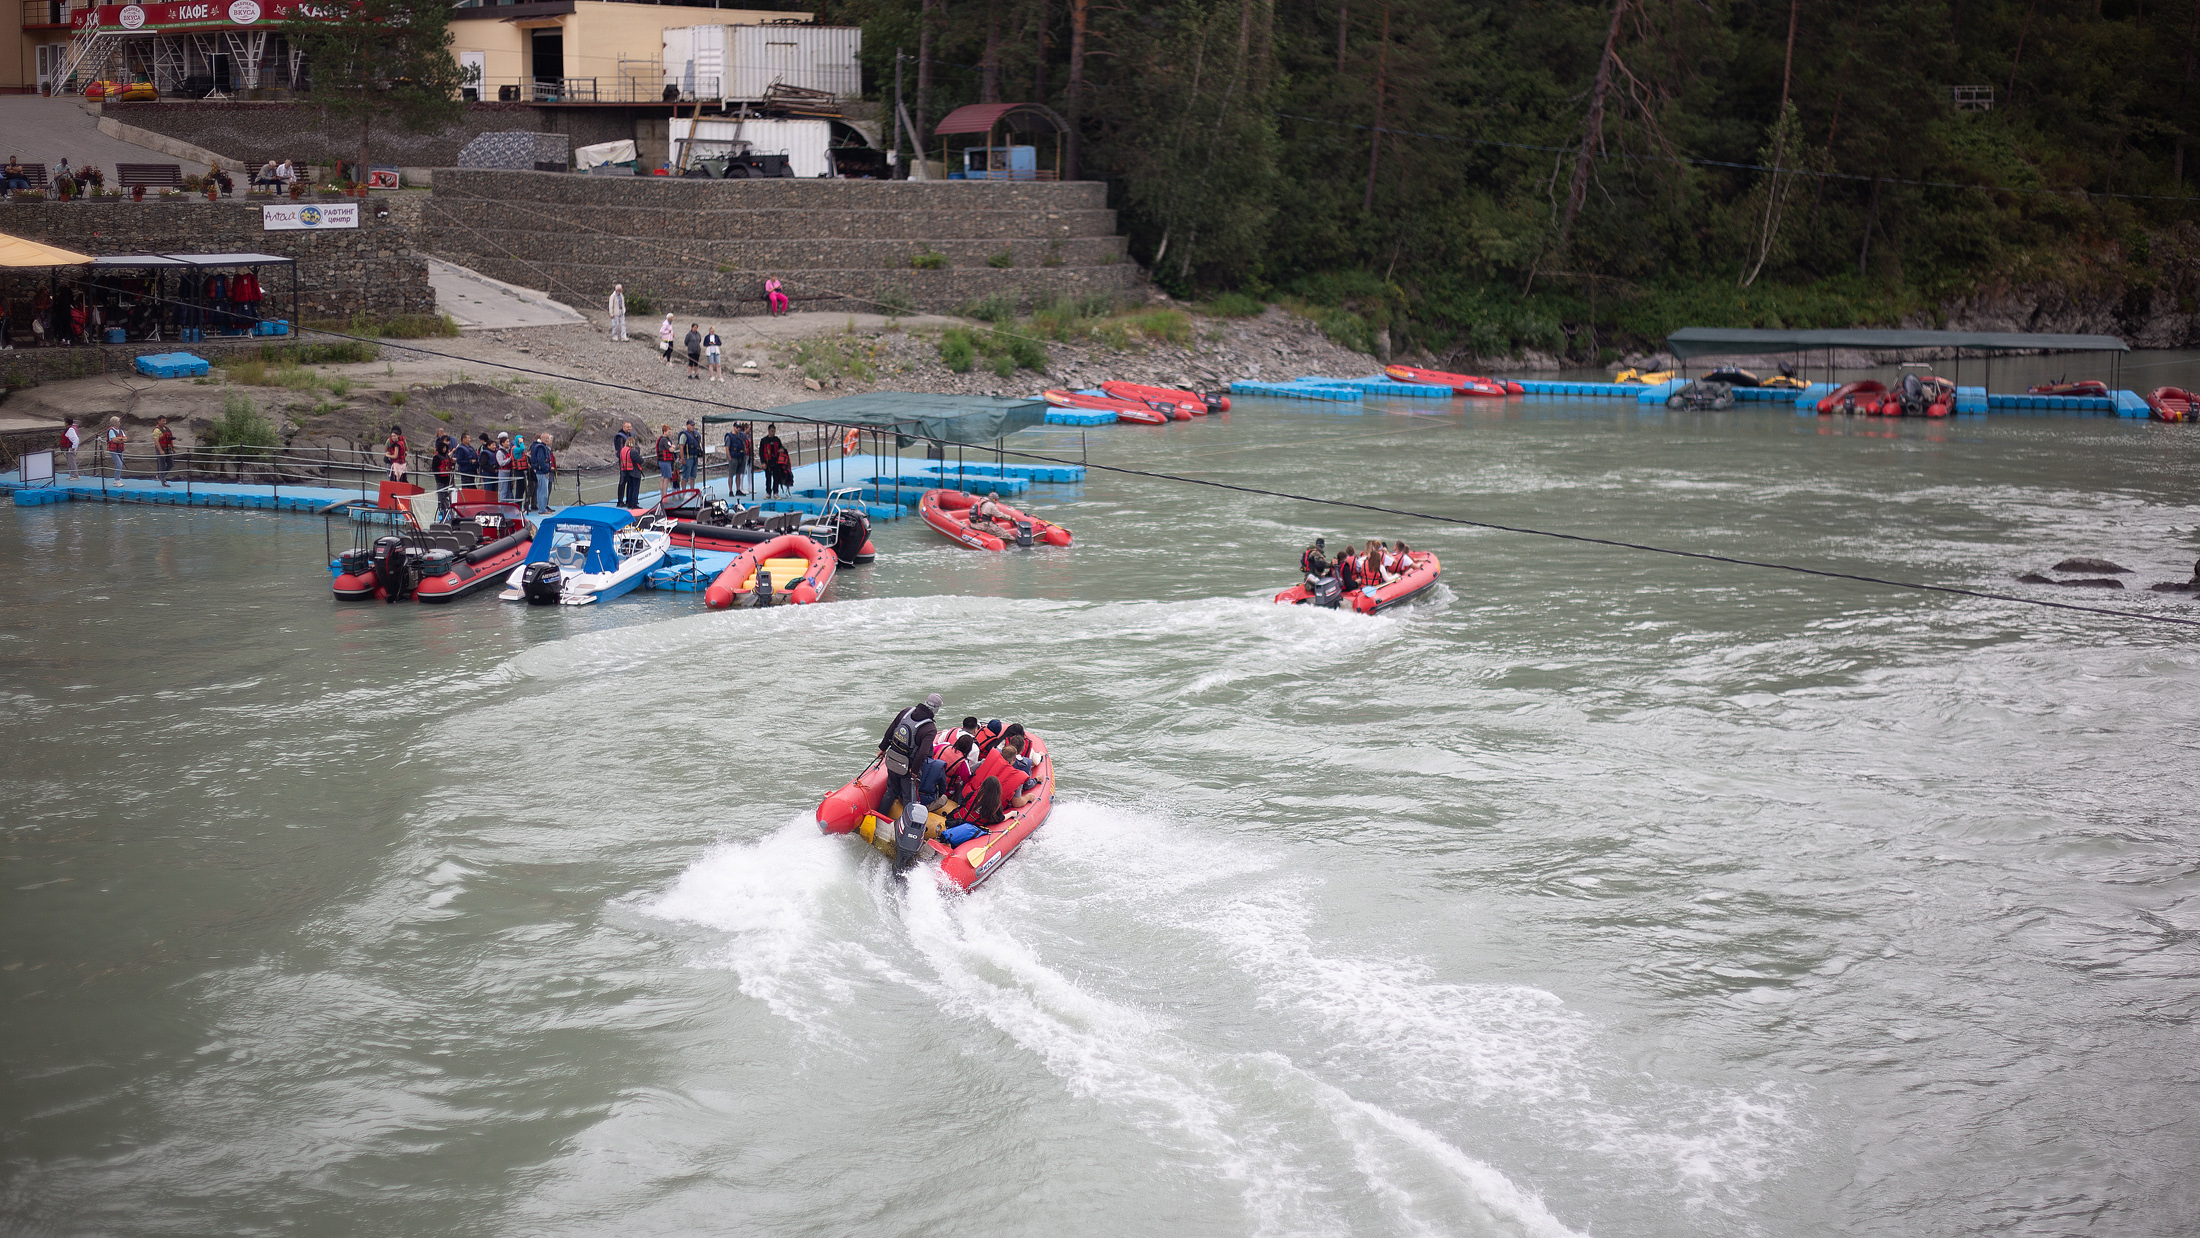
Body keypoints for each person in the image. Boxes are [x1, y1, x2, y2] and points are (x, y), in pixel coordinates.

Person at [877, 692, 942, 872]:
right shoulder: (929, 728)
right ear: (936, 710)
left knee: (890, 791)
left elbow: (891, 729)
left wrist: (882, 748)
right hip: (907, 768)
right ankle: (905, 839)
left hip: (892, 759)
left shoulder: (906, 711)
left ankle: (878, 821)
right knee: (909, 801)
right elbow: (922, 752)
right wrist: (914, 771)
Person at [758, 424, 789, 496]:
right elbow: (761, 453)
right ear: (768, 431)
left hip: (776, 462)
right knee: (768, 478)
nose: (773, 433)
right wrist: (763, 462)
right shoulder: (763, 441)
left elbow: (782, 448)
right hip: (767, 462)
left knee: (776, 478)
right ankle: (768, 493)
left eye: (774, 431)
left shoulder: (777, 440)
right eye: (772, 431)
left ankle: (776, 492)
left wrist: (782, 450)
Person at [528, 433, 554, 513]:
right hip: (542, 472)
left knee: (541, 491)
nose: (547, 440)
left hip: (541, 471)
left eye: (548, 438)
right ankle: (542, 510)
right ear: (541, 438)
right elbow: (541, 461)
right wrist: (546, 470)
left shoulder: (541, 447)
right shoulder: (541, 448)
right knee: (543, 491)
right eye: (545, 438)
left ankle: (542, 508)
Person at [616, 433, 643, 508]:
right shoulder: (632, 451)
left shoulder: (622, 450)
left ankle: (629, 502)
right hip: (634, 471)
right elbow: (640, 460)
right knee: (635, 488)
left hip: (626, 471)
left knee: (630, 487)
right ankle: (634, 504)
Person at [725, 422, 751, 496]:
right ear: (734, 427)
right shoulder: (729, 436)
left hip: (741, 456)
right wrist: (730, 458)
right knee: (731, 474)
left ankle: (738, 489)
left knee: (738, 474)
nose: (738, 429)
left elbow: (744, 445)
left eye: (739, 427)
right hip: (733, 457)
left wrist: (745, 454)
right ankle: (730, 491)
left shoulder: (742, 436)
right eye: (737, 427)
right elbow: (727, 448)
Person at [653, 423, 676, 496]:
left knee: (663, 477)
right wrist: (673, 447)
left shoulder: (663, 440)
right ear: (664, 431)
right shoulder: (664, 440)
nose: (670, 433)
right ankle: (664, 495)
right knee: (666, 478)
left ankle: (663, 495)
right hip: (665, 462)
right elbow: (671, 450)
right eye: (668, 432)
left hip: (663, 462)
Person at [431, 431, 455, 501]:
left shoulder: (447, 456)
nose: (444, 449)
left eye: (445, 448)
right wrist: (438, 476)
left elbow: (450, 464)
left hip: (447, 477)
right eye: (443, 448)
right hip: (440, 479)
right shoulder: (437, 457)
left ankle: (446, 505)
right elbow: (434, 469)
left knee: (446, 493)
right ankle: (440, 506)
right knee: (440, 493)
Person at [678, 419, 702, 485]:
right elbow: (681, 447)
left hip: (695, 457)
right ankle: (684, 492)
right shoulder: (684, 435)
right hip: (687, 457)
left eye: (693, 425)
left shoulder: (696, 434)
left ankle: (692, 490)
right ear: (687, 425)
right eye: (691, 425)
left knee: (693, 476)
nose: (693, 426)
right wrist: (682, 459)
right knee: (685, 476)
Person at [153, 416, 175, 485]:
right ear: (159, 421)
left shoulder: (167, 429)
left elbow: (170, 439)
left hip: (168, 449)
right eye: (163, 421)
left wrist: (172, 448)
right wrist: (160, 450)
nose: (164, 422)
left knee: (171, 463)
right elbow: (156, 441)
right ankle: (163, 481)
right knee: (161, 465)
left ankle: (160, 476)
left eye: (165, 421)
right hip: (161, 449)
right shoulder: (157, 430)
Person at [494, 432, 515, 503]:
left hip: (510, 472)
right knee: (504, 490)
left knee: (510, 490)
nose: (509, 443)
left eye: (509, 442)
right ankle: (502, 505)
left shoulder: (509, 451)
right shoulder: (499, 452)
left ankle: (511, 504)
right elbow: (501, 463)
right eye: (507, 442)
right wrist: (509, 459)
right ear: (502, 443)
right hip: (503, 473)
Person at [104, 416, 126, 480]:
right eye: (118, 421)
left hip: (120, 450)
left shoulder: (121, 431)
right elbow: (114, 440)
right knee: (118, 464)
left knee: (120, 464)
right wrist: (121, 439)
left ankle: (117, 478)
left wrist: (119, 439)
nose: (119, 423)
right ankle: (116, 480)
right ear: (115, 423)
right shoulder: (111, 431)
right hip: (113, 450)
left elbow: (125, 438)